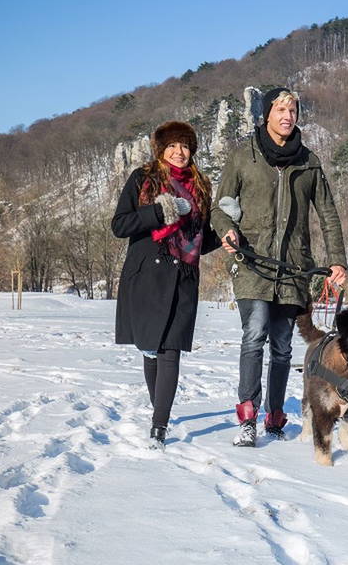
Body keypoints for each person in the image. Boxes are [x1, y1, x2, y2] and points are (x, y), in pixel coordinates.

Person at [211, 87, 348, 447]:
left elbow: (329, 215)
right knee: (254, 335)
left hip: (293, 268)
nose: (288, 116)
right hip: (252, 261)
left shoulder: (309, 161)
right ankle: (247, 416)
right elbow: (219, 207)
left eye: (293, 110)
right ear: (267, 114)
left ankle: (275, 416)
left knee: (284, 346)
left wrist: (337, 260)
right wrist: (227, 231)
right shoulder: (243, 156)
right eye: (281, 109)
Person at [112, 121, 220, 449]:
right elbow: (120, 225)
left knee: (170, 349)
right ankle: (157, 405)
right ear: (161, 149)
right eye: (172, 146)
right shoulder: (143, 178)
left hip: (184, 275)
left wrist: (229, 234)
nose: (179, 152)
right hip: (147, 272)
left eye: (185, 146)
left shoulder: (201, 186)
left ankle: (159, 425)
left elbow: (200, 239)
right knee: (150, 348)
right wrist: (161, 211)